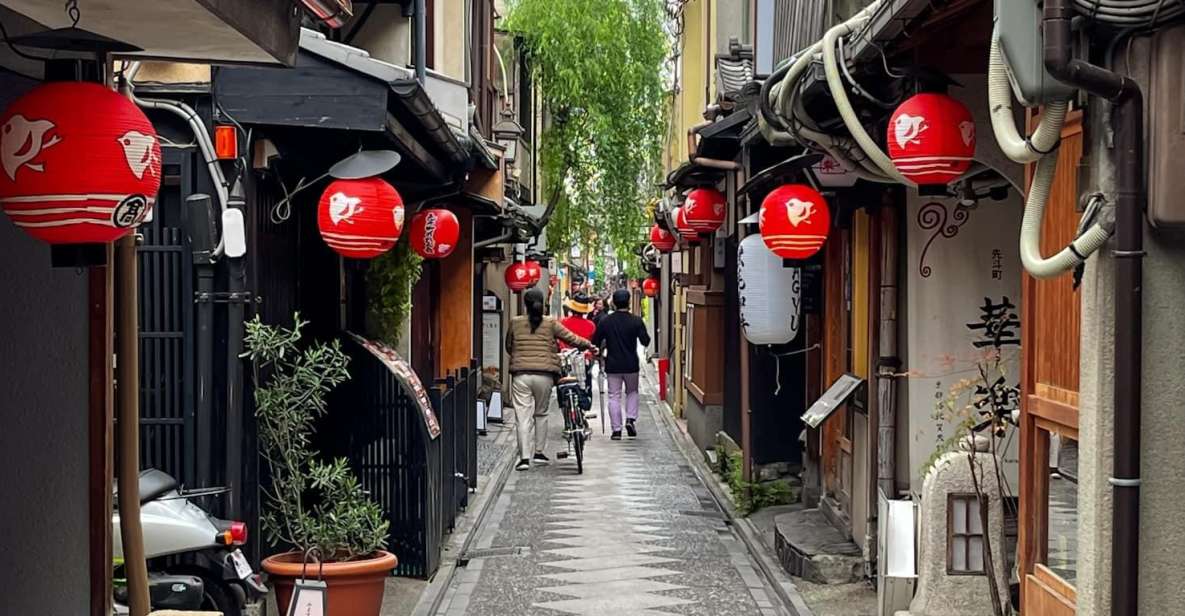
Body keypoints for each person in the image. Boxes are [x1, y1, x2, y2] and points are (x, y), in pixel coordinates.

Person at [505, 288, 594, 471]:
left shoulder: (515, 323)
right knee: (541, 413)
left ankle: (524, 458)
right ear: (542, 303)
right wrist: (589, 346)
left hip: (521, 375)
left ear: (525, 304)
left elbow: (509, 346)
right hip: (544, 375)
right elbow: (571, 338)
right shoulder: (550, 323)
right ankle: (539, 453)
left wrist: (520, 356)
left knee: (522, 417)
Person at [591, 288, 651, 440]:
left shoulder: (606, 321)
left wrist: (597, 352)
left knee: (614, 396)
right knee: (632, 392)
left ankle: (616, 430)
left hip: (613, 364)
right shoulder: (636, 321)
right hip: (631, 364)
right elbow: (646, 341)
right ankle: (630, 419)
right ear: (629, 302)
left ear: (614, 303)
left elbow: (595, 341)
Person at [559, 294, 597, 391]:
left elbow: (558, 340)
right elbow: (592, 343)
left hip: (566, 359)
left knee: (563, 384)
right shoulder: (591, 325)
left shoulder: (563, 322)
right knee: (586, 383)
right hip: (584, 359)